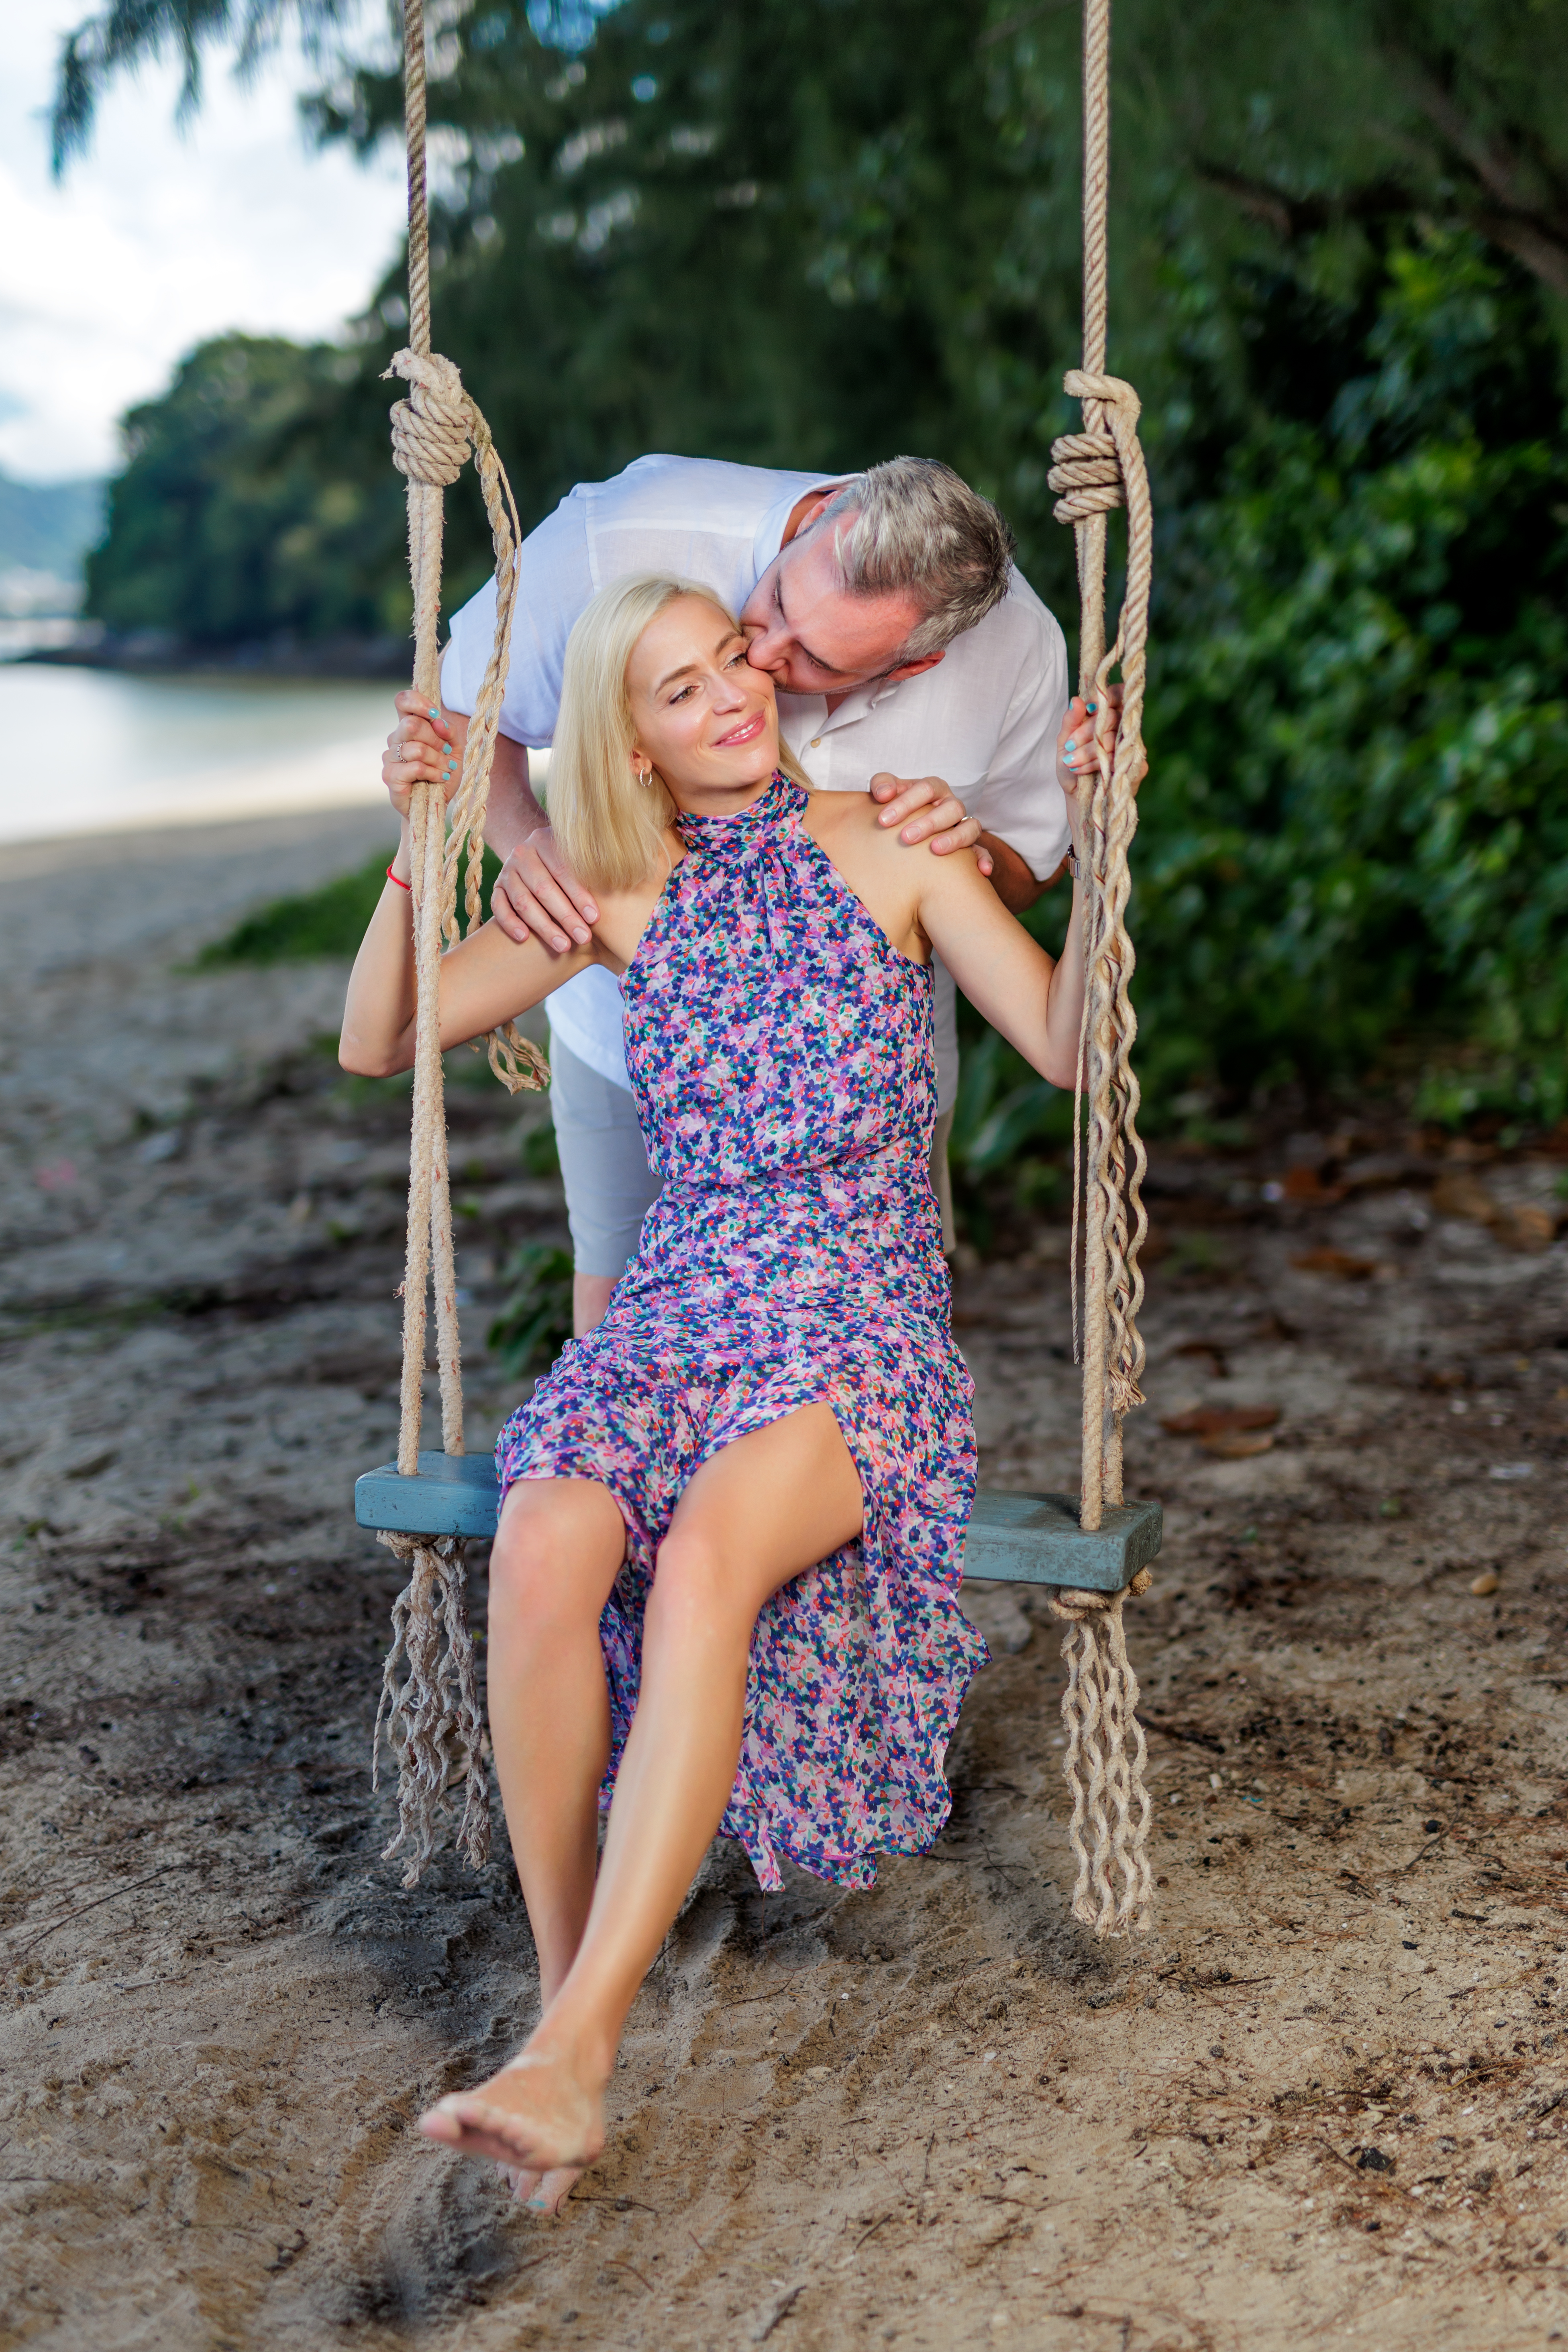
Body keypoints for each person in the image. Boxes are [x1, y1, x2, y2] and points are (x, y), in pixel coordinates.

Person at [341, 573, 1098, 2213]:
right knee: (544, 1536)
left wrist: (1100, 846)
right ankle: (562, 2021)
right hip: (673, 1318)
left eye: (730, 659)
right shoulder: (613, 884)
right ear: (633, 743)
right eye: (677, 689)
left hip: (852, 1323)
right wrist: (419, 843)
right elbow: (382, 1039)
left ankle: (575, 2051)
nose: (731, 694)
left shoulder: (897, 838)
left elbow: (1063, 1041)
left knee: (701, 1560)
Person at [385, 454, 1103, 1336]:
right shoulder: (619, 537)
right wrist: (529, 841)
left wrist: (962, 851)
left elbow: (1033, 869)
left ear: (914, 665)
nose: (760, 661)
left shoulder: (1013, 649)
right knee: (618, 1318)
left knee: (875, 1310)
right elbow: (457, 703)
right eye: (775, 603)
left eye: (816, 657)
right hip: (626, 1026)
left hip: (866, 1067)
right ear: (828, 509)